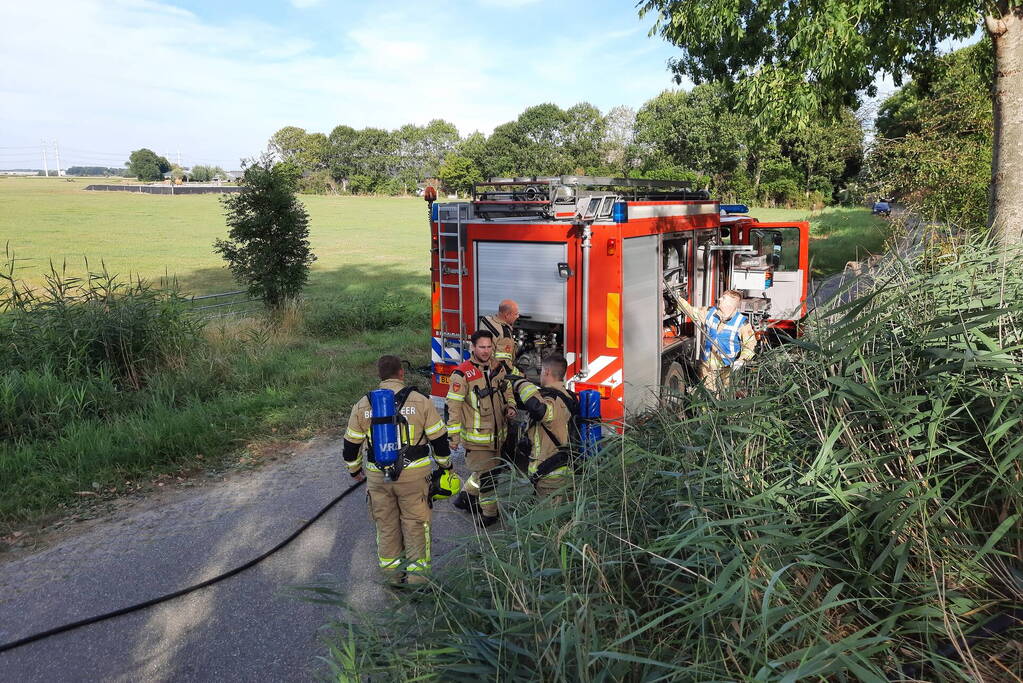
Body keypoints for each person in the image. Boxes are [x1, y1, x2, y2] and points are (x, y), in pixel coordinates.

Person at [342, 355, 452, 585]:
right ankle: (418, 580)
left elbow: (351, 444)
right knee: (415, 524)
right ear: (402, 373)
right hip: (414, 477)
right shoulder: (420, 401)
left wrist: (354, 471)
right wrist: (445, 466)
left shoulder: (364, 404)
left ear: (380, 376)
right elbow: (440, 440)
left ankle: (392, 577)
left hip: (378, 477)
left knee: (386, 525)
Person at [446, 330, 516, 526]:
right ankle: (489, 514)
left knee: (486, 472)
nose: (486, 351)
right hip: (478, 439)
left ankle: (465, 497)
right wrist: (453, 436)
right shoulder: (461, 374)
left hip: (497, 437)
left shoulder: (498, 367)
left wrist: (511, 406)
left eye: (488, 347)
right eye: (481, 347)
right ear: (473, 348)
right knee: (489, 479)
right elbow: (454, 406)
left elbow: (507, 390)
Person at [511, 354, 575, 500]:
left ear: (546, 372)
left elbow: (539, 410)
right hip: (555, 474)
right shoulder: (566, 395)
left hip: (551, 477)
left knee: (549, 521)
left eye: (541, 372)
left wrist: (522, 384)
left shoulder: (554, 400)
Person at [676, 289, 756, 394]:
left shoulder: (741, 323)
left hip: (728, 368)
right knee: (709, 396)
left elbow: (750, 344)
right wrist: (677, 298)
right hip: (708, 367)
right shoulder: (710, 313)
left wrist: (741, 360)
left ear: (731, 303)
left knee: (727, 395)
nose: (719, 299)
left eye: (723, 298)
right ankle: (707, 409)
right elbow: (690, 311)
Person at [479, 299, 520, 373]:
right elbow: (504, 364)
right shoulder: (505, 335)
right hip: (491, 373)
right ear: (507, 315)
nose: (518, 316)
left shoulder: (486, 320)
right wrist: (521, 375)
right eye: (515, 314)